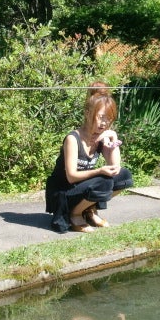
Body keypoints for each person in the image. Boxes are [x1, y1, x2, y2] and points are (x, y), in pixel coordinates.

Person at [45, 82, 133, 233]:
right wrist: (99, 171)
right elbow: (71, 177)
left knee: (124, 176)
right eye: (100, 117)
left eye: (108, 119)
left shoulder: (102, 137)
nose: (104, 123)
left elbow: (115, 167)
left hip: (83, 187)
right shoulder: (73, 138)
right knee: (103, 181)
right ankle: (75, 213)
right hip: (63, 191)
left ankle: (88, 209)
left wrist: (113, 136)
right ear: (87, 113)